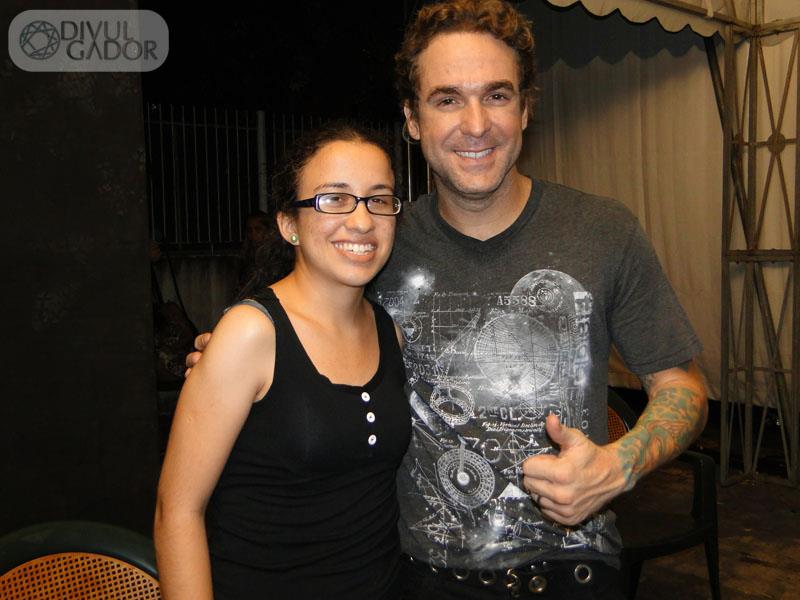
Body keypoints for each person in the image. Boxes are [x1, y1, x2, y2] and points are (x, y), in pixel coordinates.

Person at [187, 1, 708, 597]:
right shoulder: (374, 244)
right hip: (419, 580)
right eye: (447, 99)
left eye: (497, 95)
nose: (476, 124)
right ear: (412, 119)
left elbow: (684, 386)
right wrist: (228, 360)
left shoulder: (603, 231)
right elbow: (296, 331)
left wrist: (620, 464)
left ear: (526, 108)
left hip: (575, 575)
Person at [155, 122, 410, 600]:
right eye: (334, 198)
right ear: (289, 224)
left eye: (378, 199)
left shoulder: (388, 332)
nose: (361, 221)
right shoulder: (251, 334)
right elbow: (178, 511)